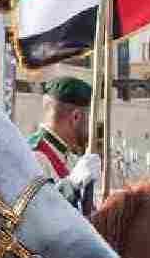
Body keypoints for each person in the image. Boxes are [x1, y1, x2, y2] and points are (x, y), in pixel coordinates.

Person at [31, 76, 103, 214]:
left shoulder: (71, 158)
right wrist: (71, 185)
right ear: (76, 117)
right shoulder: (34, 155)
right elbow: (36, 213)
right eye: (90, 121)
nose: (91, 130)